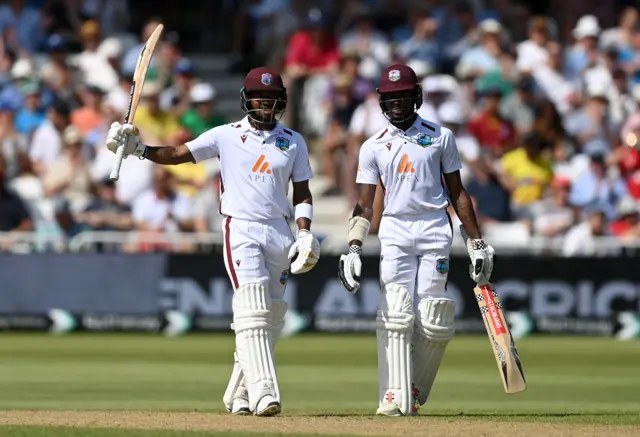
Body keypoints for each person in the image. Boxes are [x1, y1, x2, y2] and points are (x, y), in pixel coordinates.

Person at [105, 67, 320, 417]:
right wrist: (139, 149)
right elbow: (177, 154)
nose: (265, 106)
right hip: (242, 228)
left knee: (272, 317)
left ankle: (238, 394)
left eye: (271, 100)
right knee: (252, 308)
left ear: (281, 101)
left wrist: (306, 230)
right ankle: (265, 393)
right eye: (259, 99)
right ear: (247, 100)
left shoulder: (293, 140)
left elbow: (303, 191)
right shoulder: (226, 135)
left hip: (281, 231)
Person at [337, 64, 495, 417]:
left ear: (417, 96)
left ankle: (412, 390)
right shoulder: (372, 146)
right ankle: (393, 396)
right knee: (395, 311)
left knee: (431, 315)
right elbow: (364, 203)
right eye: (390, 97)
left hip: (435, 228)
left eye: (403, 95)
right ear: (381, 100)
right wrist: (354, 246)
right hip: (394, 229)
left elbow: (458, 192)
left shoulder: (441, 137)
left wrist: (476, 243)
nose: (397, 103)